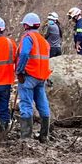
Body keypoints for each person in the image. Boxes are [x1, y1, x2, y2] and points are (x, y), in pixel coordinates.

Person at [14, 12, 51, 142]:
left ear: (26, 25)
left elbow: (24, 54)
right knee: (43, 104)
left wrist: (19, 70)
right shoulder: (43, 41)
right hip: (41, 78)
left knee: (26, 105)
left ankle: (26, 137)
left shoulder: (28, 37)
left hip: (29, 77)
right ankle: (44, 135)